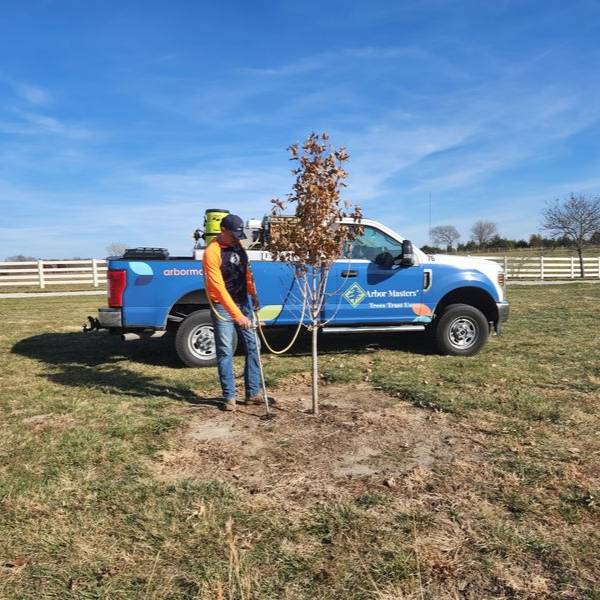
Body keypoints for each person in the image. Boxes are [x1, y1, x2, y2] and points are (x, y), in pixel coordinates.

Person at [202, 214, 263, 411]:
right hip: (222, 306)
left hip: (243, 301)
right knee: (225, 350)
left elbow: (246, 272)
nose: (238, 238)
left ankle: (253, 393)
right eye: (234, 234)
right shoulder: (212, 252)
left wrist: (253, 293)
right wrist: (237, 315)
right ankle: (229, 397)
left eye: (239, 234)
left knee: (255, 346)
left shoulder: (238, 245)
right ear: (223, 231)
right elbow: (219, 288)